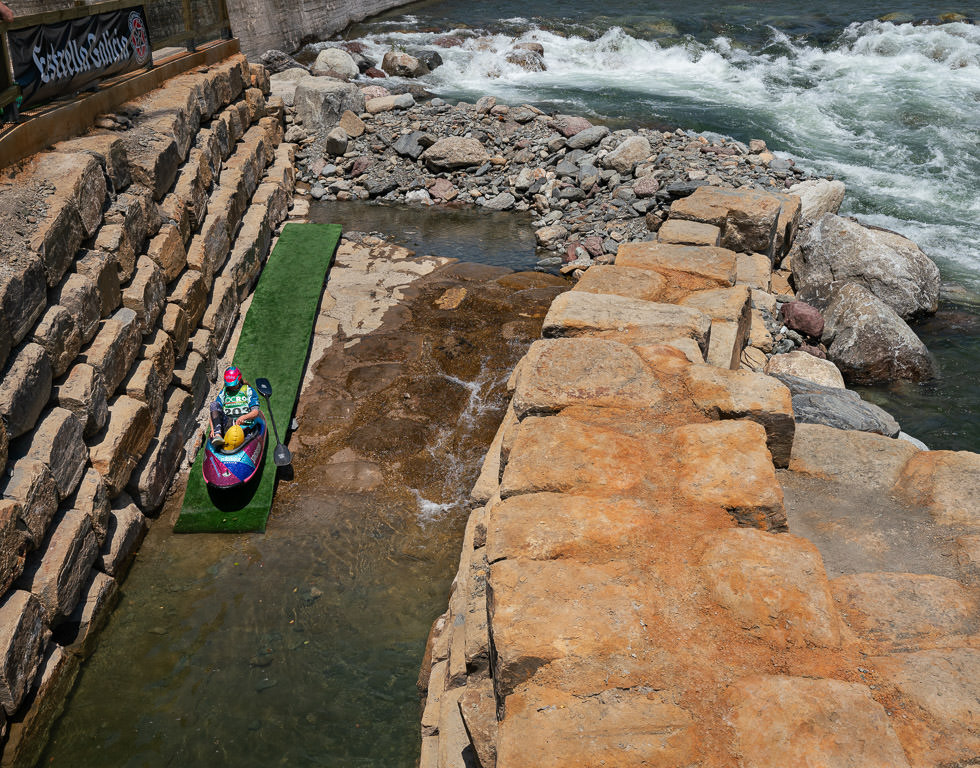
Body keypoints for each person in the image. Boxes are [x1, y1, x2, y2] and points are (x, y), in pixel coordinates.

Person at [209, 366, 261, 449]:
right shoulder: (224, 392)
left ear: (239, 379)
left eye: (233, 385)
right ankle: (218, 436)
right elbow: (214, 412)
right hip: (229, 424)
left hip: (245, 426)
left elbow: (255, 412)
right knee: (213, 404)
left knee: (238, 439)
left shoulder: (248, 390)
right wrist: (213, 429)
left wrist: (244, 417)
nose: (231, 387)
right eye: (229, 385)